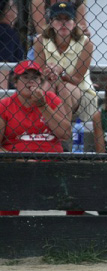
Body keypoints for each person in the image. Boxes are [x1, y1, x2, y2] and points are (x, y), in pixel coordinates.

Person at [0, 60, 71, 216]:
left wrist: (42, 106)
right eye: (25, 77)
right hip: (16, 165)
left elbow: (65, 134)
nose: (31, 81)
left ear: (41, 82)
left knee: (78, 187)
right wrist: (19, 160)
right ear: (16, 82)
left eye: (35, 77)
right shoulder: (5, 105)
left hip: (52, 164)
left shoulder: (51, 100)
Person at [33, 2, 98, 122]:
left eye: (68, 19)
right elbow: (41, 74)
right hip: (51, 87)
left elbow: (77, 80)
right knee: (49, 84)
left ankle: (62, 129)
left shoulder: (86, 43)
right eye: (58, 19)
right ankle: (49, 127)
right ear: (51, 22)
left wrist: (60, 72)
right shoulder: (40, 41)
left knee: (64, 87)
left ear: (74, 23)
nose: (63, 23)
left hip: (81, 93)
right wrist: (50, 72)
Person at [0, 0, 24, 90]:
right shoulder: (6, 33)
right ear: (8, 12)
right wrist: (3, 99)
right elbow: (3, 67)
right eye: (13, 6)